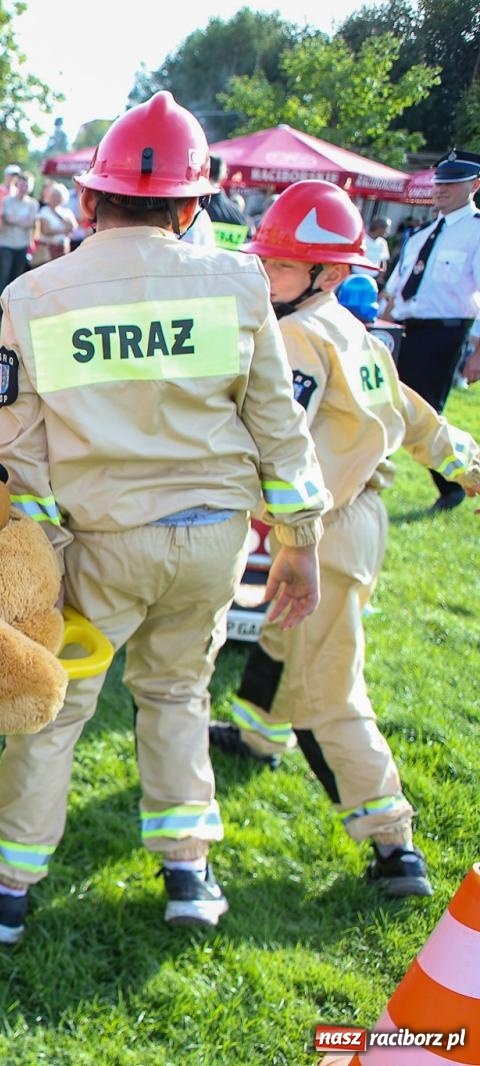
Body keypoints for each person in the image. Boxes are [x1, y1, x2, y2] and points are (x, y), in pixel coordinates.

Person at [0, 92, 329, 943]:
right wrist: (300, 545)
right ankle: (189, 873)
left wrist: (45, 553)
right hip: (216, 537)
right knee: (178, 693)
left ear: (91, 199)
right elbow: (279, 425)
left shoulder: (34, 294)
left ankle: (8, 883)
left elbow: (24, 453)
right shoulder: (238, 282)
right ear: (193, 207)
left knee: (58, 702)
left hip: (103, 541)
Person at [210, 181, 480, 898]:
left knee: (330, 690)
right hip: (353, 524)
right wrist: (467, 465)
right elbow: (416, 417)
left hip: (323, 529)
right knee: (281, 634)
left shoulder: (295, 338)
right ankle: (257, 735)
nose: (265, 278)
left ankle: (393, 843)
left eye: (281, 267)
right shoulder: (355, 332)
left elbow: (278, 435)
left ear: (326, 274)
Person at [381, 152, 480, 511]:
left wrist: (478, 351)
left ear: (474, 186)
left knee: (424, 410)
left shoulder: (475, 231)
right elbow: (396, 288)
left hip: (444, 333)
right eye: (440, 182)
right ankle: (372, 470)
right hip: (403, 329)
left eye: (452, 183)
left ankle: (454, 482)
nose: (442, 190)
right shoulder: (421, 233)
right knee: (386, 400)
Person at [0, 172, 37, 317]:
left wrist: (17, 220)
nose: (24, 187)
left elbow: (31, 223)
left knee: (16, 278)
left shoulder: (32, 204)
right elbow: (7, 218)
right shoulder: (7, 201)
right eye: (21, 184)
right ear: (17, 185)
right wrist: (21, 221)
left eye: (27, 184)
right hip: (6, 243)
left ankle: (11, 310)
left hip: (22, 244)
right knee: (2, 276)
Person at [31, 181, 76, 267]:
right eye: (54, 195)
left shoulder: (66, 212)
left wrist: (58, 230)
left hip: (63, 249)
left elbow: (72, 227)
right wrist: (64, 230)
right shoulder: (44, 211)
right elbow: (46, 231)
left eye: (58, 196)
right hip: (48, 250)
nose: (55, 198)